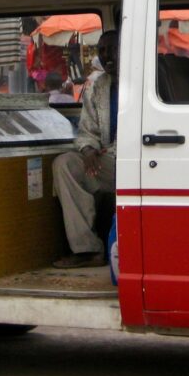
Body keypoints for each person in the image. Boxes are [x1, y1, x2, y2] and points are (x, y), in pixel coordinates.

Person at [52, 30, 118, 268]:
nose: (106, 56)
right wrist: (88, 149)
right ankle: (87, 249)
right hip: (108, 163)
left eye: (112, 49)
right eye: (102, 51)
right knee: (65, 164)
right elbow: (87, 130)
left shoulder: (146, 82)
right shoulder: (97, 86)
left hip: (140, 161)